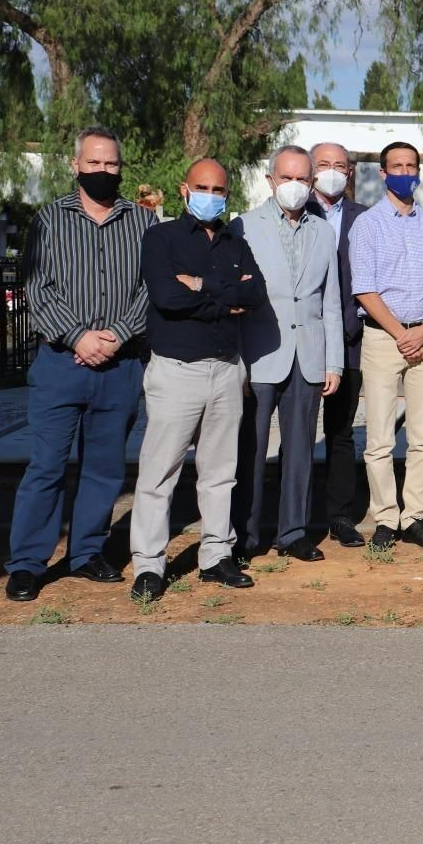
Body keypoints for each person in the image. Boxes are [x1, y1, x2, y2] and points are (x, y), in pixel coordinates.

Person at [4, 127, 157, 603]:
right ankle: (28, 562)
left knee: (105, 468)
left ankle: (87, 552)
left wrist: (116, 335)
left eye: (111, 164)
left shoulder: (143, 222)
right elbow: (37, 288)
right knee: (46, 466)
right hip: (60, 364)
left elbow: (150, 288)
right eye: (94, 164)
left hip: (120, 364)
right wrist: (79, 336)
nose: (103, 172)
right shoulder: (50, 218)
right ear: (76, 166)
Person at [127, 159, 266, 602]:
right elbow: (167, 297)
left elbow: (255, 293)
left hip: (226, 369)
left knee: (220, 471)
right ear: (184, 189)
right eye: (203, 187)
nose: (212, 195)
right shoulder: (161, 237)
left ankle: (216, 555)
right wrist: (226, 299)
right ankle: (149, 565)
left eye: (219, 189)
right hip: (176, 370)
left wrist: (202, 285)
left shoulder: (234, 241)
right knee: (158, 472)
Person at [230, 145, 343, 564]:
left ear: (312, 184)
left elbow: (329, 300)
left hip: (308, 355)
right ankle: (244, 535)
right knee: (251, 449)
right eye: (287, 177)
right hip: (259, 355)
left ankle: (293, 532)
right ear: (270, 180)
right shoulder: (243, 226)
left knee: (300, 450)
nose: (294, 186)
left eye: (302, 179)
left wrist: (333, 362)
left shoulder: (323, 230)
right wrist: (237, 363)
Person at [348, 141, 423, 549]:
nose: (406, 171)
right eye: (398, 166)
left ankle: (415, 517)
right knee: (379, 437)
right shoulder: (369, 225)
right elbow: (364, 288)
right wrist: (400, 333)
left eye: (412, 165)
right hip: (383, 337)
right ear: (384, 173)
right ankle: (385, 518)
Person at [305, 141, 369, 547]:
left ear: (349, 174)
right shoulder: (291, 212)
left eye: (339, 166)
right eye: (323, 164)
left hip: (350, 343)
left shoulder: (364, 219)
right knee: (297, 433)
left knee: (341, 433)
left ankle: (340, 516)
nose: (332, 171)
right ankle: (292, 515)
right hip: (302, 343)